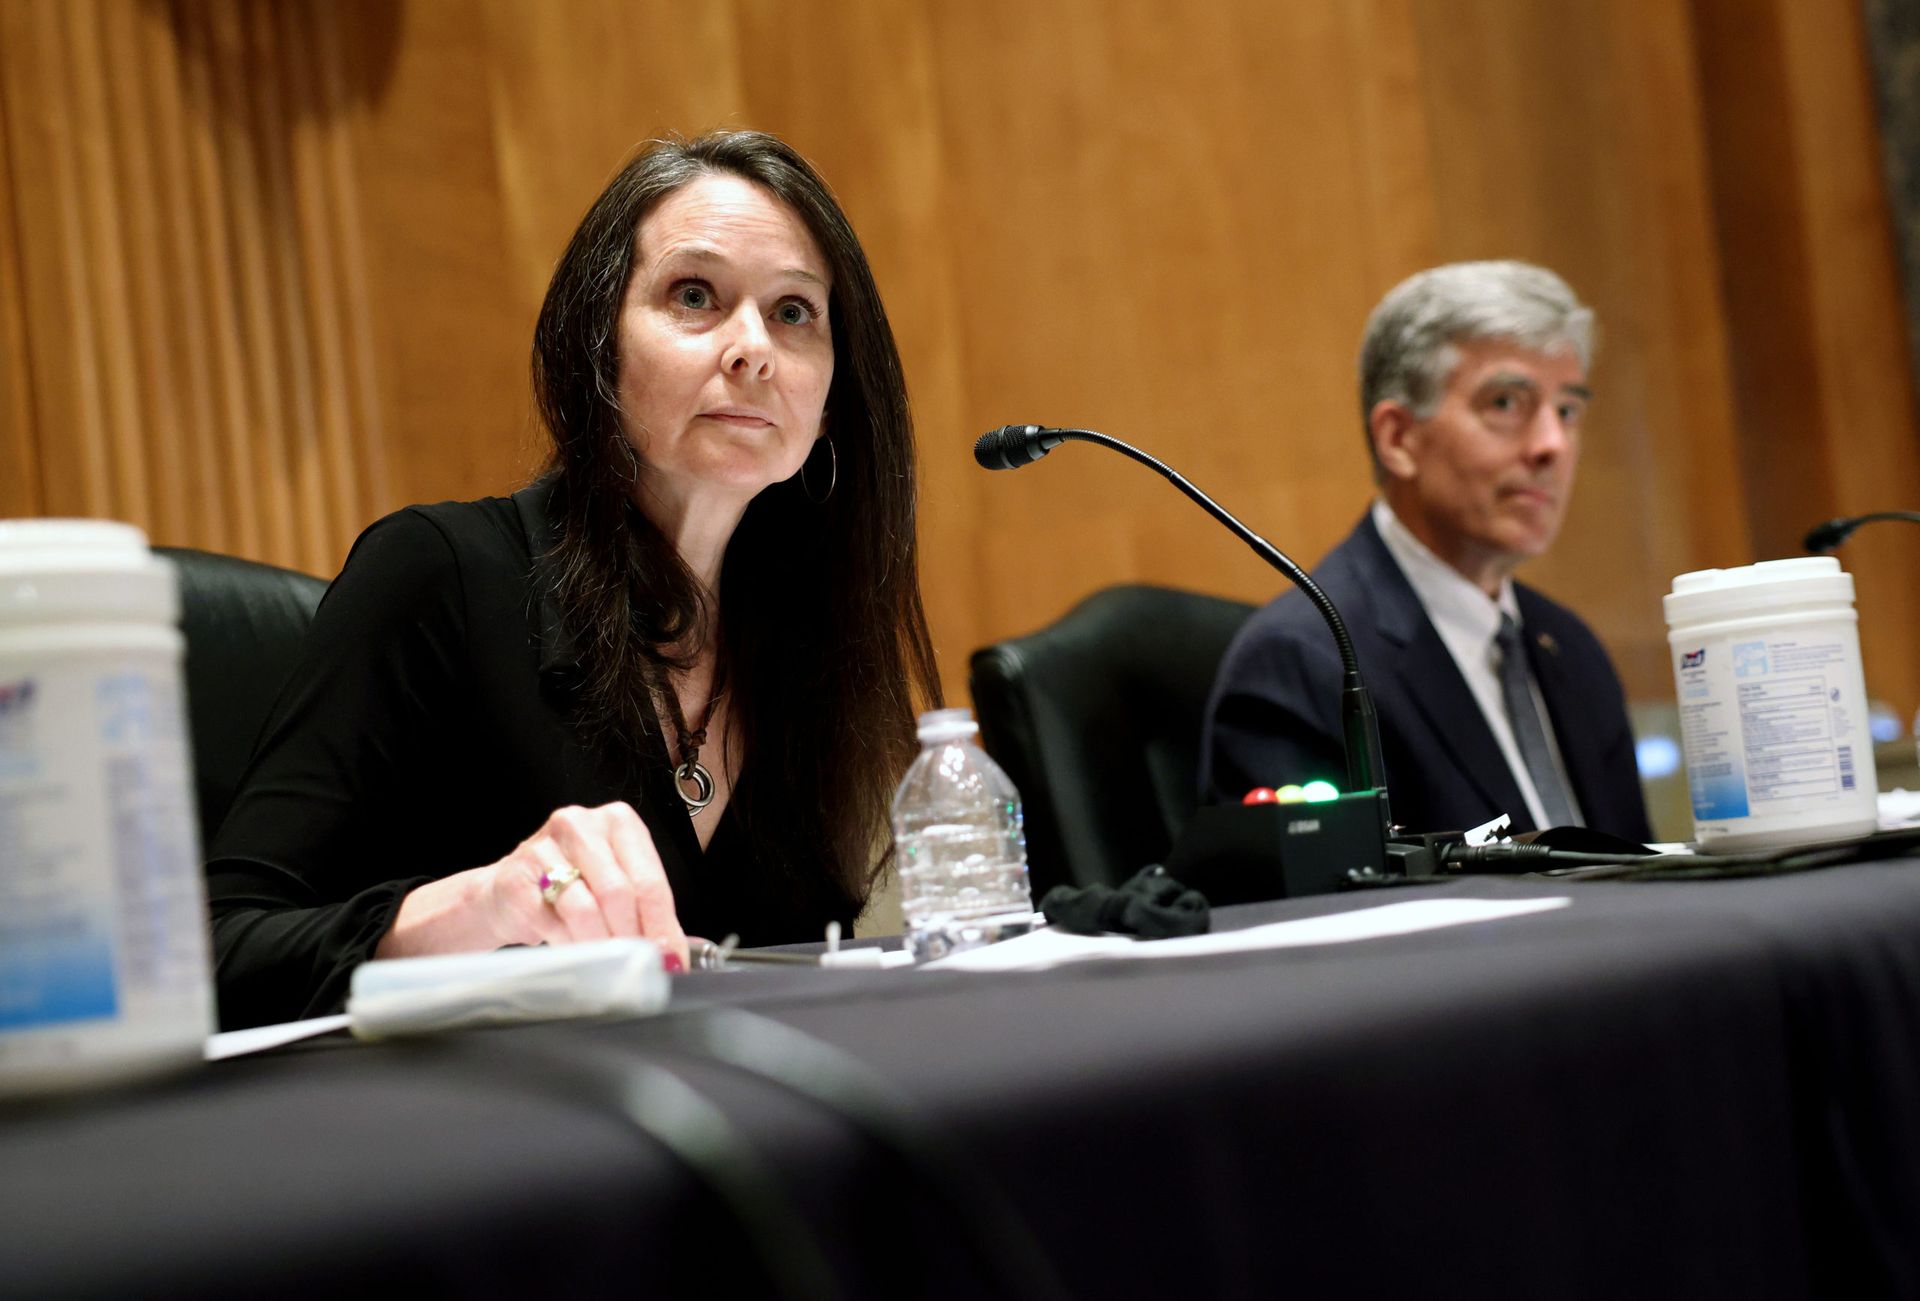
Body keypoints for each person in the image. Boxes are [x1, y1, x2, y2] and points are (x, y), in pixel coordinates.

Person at [207, 131, 941, 1029]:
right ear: (598, 349)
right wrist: (466, 913)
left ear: (831, 404)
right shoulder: (439, 578)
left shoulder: (805, 644)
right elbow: (219, 948)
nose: (753, 347)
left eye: (795, 312)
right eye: (695, 295)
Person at [1200, 260, 1653, 841]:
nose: (1552, 445)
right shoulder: (1304, 662)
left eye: (1567, 410)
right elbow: (1322, 917)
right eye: (1506, 404)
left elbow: (1643, 873)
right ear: (1398, 439)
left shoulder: (1570, 647)